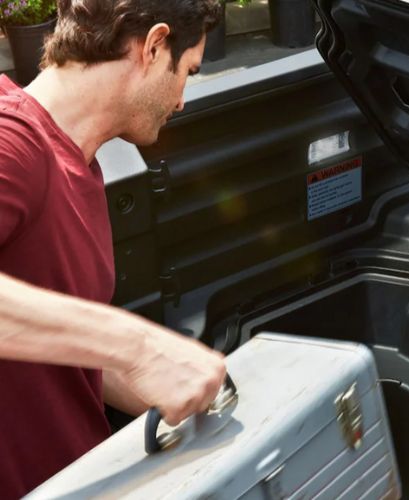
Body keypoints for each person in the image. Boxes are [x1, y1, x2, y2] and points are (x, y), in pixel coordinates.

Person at [0, 0, 227, 496]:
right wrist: (138, 347)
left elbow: (56, 352)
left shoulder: (82, 164)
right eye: (187, 71)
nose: (183, 100)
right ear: (153, 45)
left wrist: (164, 381)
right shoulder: (12, 139)